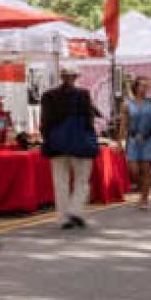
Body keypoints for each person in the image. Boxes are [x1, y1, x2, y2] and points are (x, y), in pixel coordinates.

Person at [37, 63, 100, 230]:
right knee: (82, 179)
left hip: (56, 145)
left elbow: (44, 122)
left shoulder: (48, 96)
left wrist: (48, 138)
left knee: (60, 181)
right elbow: (89, 120)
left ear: (61, 77)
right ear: (76, 77)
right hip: (80, 143)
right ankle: (75, 210)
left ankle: (63, 217)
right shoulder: (83, 95)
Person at [122, 76, 151, 210]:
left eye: (146, 86)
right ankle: (143, 187)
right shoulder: (127, 104)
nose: (144, 89)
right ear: (136, 87)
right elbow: (124, 124)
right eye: (142, 86)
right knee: (134, 171)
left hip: (149, 140)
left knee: (146, 170)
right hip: (133, 140)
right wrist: (120, 141)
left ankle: (144, 199)